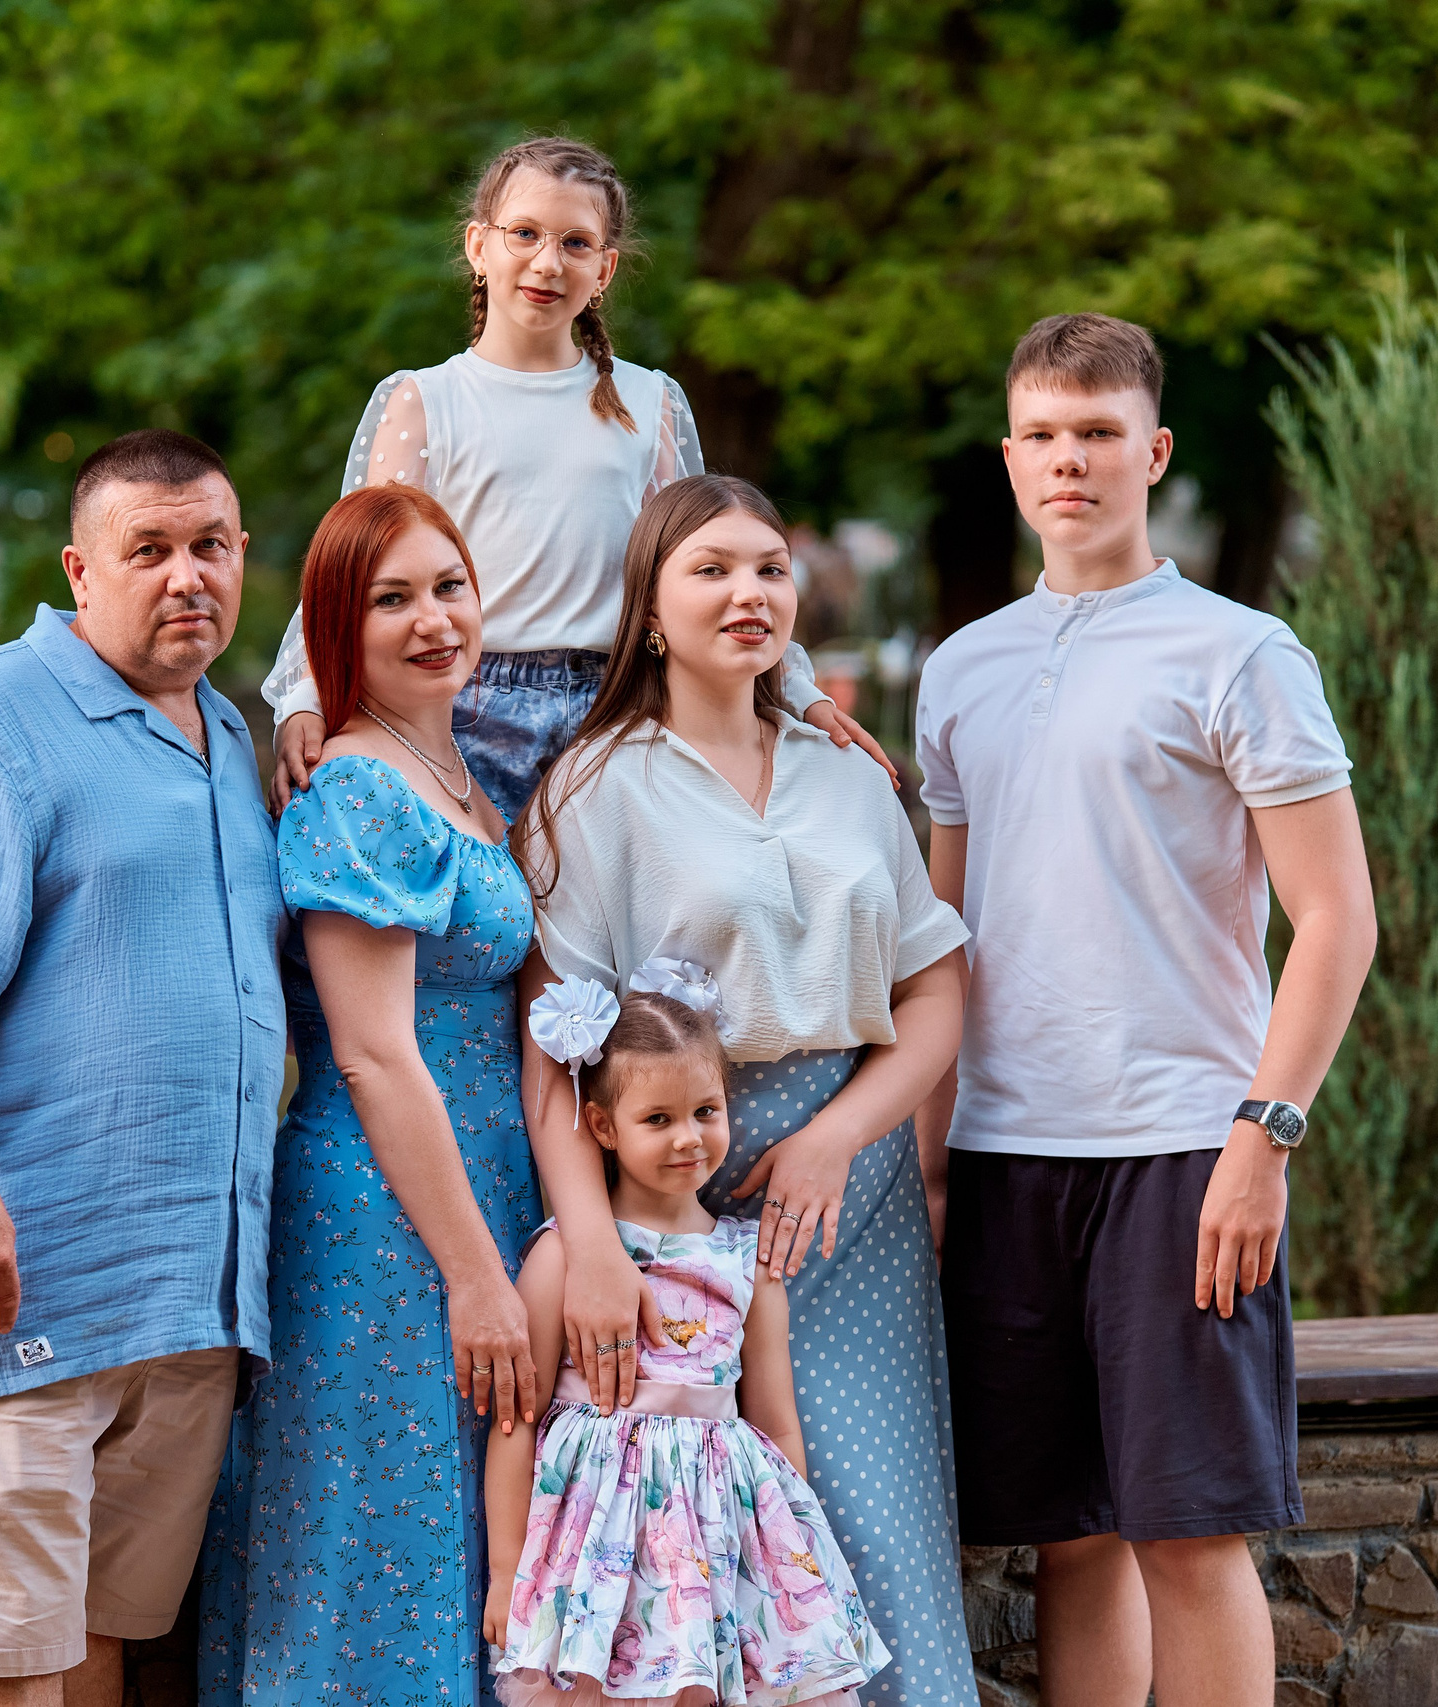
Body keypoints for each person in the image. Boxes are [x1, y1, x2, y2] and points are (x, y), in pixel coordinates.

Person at [913, 313, 1378, 1707]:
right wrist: (929, 1166)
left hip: (1184, 1144)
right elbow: (943, 939)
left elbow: (1337, 917)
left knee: (1186, 1531)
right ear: (1009, 457)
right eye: (1044, 434)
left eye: (1099, 433)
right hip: (1005, 1152)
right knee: (1069, 1534)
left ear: (1154, 451)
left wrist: (1262, 1137)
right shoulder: (960, 667)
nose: (1070, 459)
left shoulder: (1240, 652)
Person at [0, 430, 286, 1707]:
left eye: (211, 545)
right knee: (4, 1666)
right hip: (26, 1289)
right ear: (81, 570)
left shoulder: (230, 736)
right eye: (150, 550)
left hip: (188, 1303)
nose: (187, 575)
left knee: (99, 1650)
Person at [516, 474, 979, 1707]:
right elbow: (553, 1054)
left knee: (875, 1518)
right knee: (703, 1559)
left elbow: (937, 989)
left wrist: (840, 1138)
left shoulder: (848, 772)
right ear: (649, 611)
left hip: (851, 1199)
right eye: (711, 569)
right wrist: (591, 1246)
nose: (749, 593)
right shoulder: (593, 787)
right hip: (676, 1205)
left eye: (770, 568)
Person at [262, 134, 889, 822]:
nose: (547, 261)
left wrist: (796, 688)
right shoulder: (426, 401)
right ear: (478, 246)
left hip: (619, 713)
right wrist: (304, 700)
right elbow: (354, 573)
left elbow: (701, 572)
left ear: (605, 267)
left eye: (576, 243)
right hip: (456, 712)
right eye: (524, 233)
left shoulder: (650, 403)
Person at [199, 482, 545, 1707]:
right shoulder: (356, 791)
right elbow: (372, 1054)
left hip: (481, 1192)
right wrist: (475, 1276)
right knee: (378, 1535)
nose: (433, 620)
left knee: (467, 1529)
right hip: (383, 1218)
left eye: (449, 587)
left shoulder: (460, 775)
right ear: (338, 629)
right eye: (392, 600)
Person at [487, 978, 891, 1707]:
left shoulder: (748, 1262)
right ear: (604, 1126)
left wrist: (793, 1556)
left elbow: (776, 1425)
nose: (688, 1136)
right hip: (597, 1555)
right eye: (658, 1118)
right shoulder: (563, 1257)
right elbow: (517, 1419)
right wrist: (505, 1568)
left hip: (713, 1546)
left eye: (706, 1110)